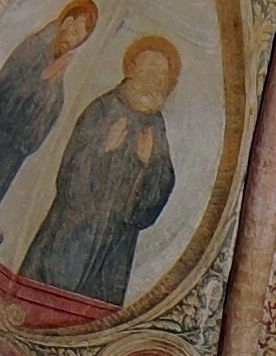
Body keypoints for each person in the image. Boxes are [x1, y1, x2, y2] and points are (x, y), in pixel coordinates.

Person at [20, 34, 180, 306]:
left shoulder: (156, 126)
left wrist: (146, 165)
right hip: (74, 230)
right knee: (47, 297)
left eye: (160, 74)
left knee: (92, 308)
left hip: (115, 243)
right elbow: (70, 170)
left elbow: (164, 180)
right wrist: (103, 148)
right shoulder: (103, 108)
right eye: (148, 68)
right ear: (132, 69)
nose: (153, 77)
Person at [0, 0, 98, 255]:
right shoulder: (35, 47)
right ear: (67, 21)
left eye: (81, 38)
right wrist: (43, 79)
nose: (75, 40)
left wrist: (50, 86)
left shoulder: (55, 61)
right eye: (77, 31)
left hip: (14, 146)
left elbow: (52, 109)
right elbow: (3, 89)